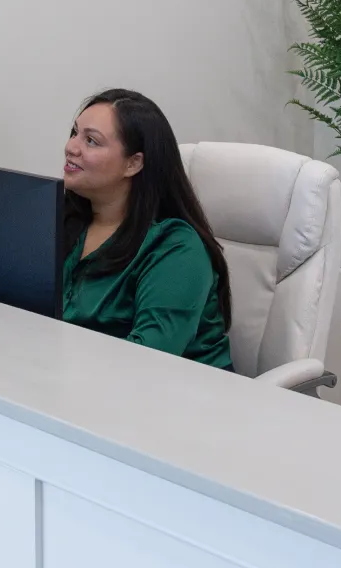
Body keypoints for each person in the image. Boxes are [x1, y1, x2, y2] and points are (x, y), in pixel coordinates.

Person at [60, 89, 233, 370]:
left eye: (91, 141)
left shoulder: (176, 248)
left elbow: (148, 363)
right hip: (73, 389)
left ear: (133, 163)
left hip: (181, 403)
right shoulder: (66, 220)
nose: (72, 147)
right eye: (75, 132)